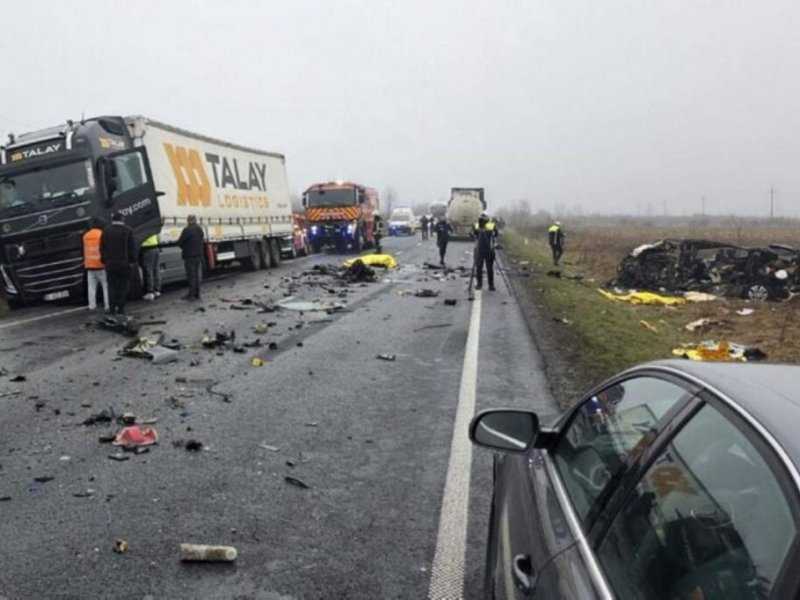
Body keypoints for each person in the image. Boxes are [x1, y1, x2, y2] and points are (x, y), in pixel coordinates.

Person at [100, 212, 136, 315]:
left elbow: (102, 248)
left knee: (111, 286)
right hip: (124, 264)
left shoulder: (106, 231)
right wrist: (132, 261)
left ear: (113, 220)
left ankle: (112, 309)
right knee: (123, 286)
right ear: (122, 219)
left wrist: (104, 260)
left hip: (110, 264)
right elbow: (132, 248)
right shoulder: (128, 230)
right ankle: (121, 308)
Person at [82, 217, 109, 312]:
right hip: (101, 265)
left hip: (90, 265)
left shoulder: (85, 236)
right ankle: (107, 306)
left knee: (91, 288)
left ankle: (92, 306)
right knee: (105, 286)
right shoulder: (102, 234)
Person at [178, 214, 205, 301]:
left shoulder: (186, 230)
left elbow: (179, 242)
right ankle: (197, 294)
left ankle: (191, 295)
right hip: (198, 256)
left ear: (189, 221)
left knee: (191, 276)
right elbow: (201, 239)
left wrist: (186, 248)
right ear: (195, 220)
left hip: (189, 256)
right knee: (197, 275)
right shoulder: (199, 229)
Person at [473, 212, 497, 291]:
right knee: (480, 268)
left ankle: (488, 285)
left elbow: (495, 234)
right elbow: (474, 234)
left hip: (487, 250)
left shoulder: (490, 225)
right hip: (481, 250)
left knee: (487, 268)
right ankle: (485, 285)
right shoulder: (478, 225)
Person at [141, 233, 161, 301]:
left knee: (148, 271)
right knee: (156, 270)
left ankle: (150, 292)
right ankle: (157, 291)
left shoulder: (144, 230)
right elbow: (159, 238)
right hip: (156, 248)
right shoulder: (153, 228)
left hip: (147, 249)